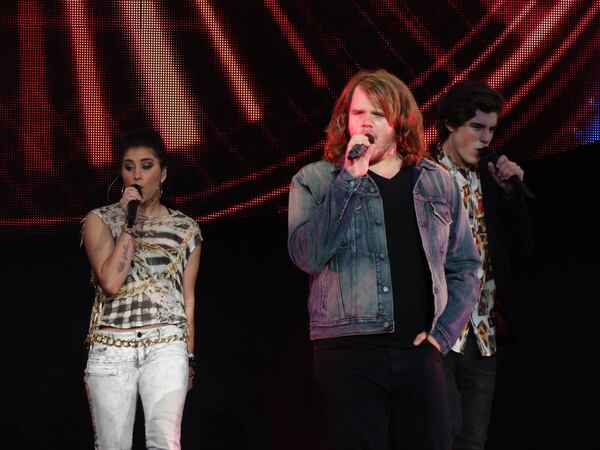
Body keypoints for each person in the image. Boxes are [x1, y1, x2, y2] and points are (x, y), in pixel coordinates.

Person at [287, 69, 481, 450]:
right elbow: (307, 256)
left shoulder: (436, 181)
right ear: (345, 121)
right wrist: (349, 181)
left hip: (420, 351)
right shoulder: (315, 181)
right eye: (358, 113)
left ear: (400, 121)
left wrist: (441, 337)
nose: (366, 122)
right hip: (348, 353)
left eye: (378, 114)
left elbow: (466, 268)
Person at [81, 127, 202, 449]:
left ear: (163, 173)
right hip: (111, 347)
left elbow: (188, 300)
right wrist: (128, 223)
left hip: (166, 344)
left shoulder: (185, 229)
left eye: (146, 166)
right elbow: (111, 282)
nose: (137, 175)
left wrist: (189, 358)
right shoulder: (100, 220)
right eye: (129, 166)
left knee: (165, 442)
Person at [434, 80, 534, 450]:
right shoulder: (424, 176)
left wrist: (511, 196)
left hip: (483, 331)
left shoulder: (490, 178)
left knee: (473, 440)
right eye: (477, 127)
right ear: (450, 123)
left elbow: (524, 248)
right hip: (438, 330)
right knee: (441, 435)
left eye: (491, 129)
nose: (486, 138)